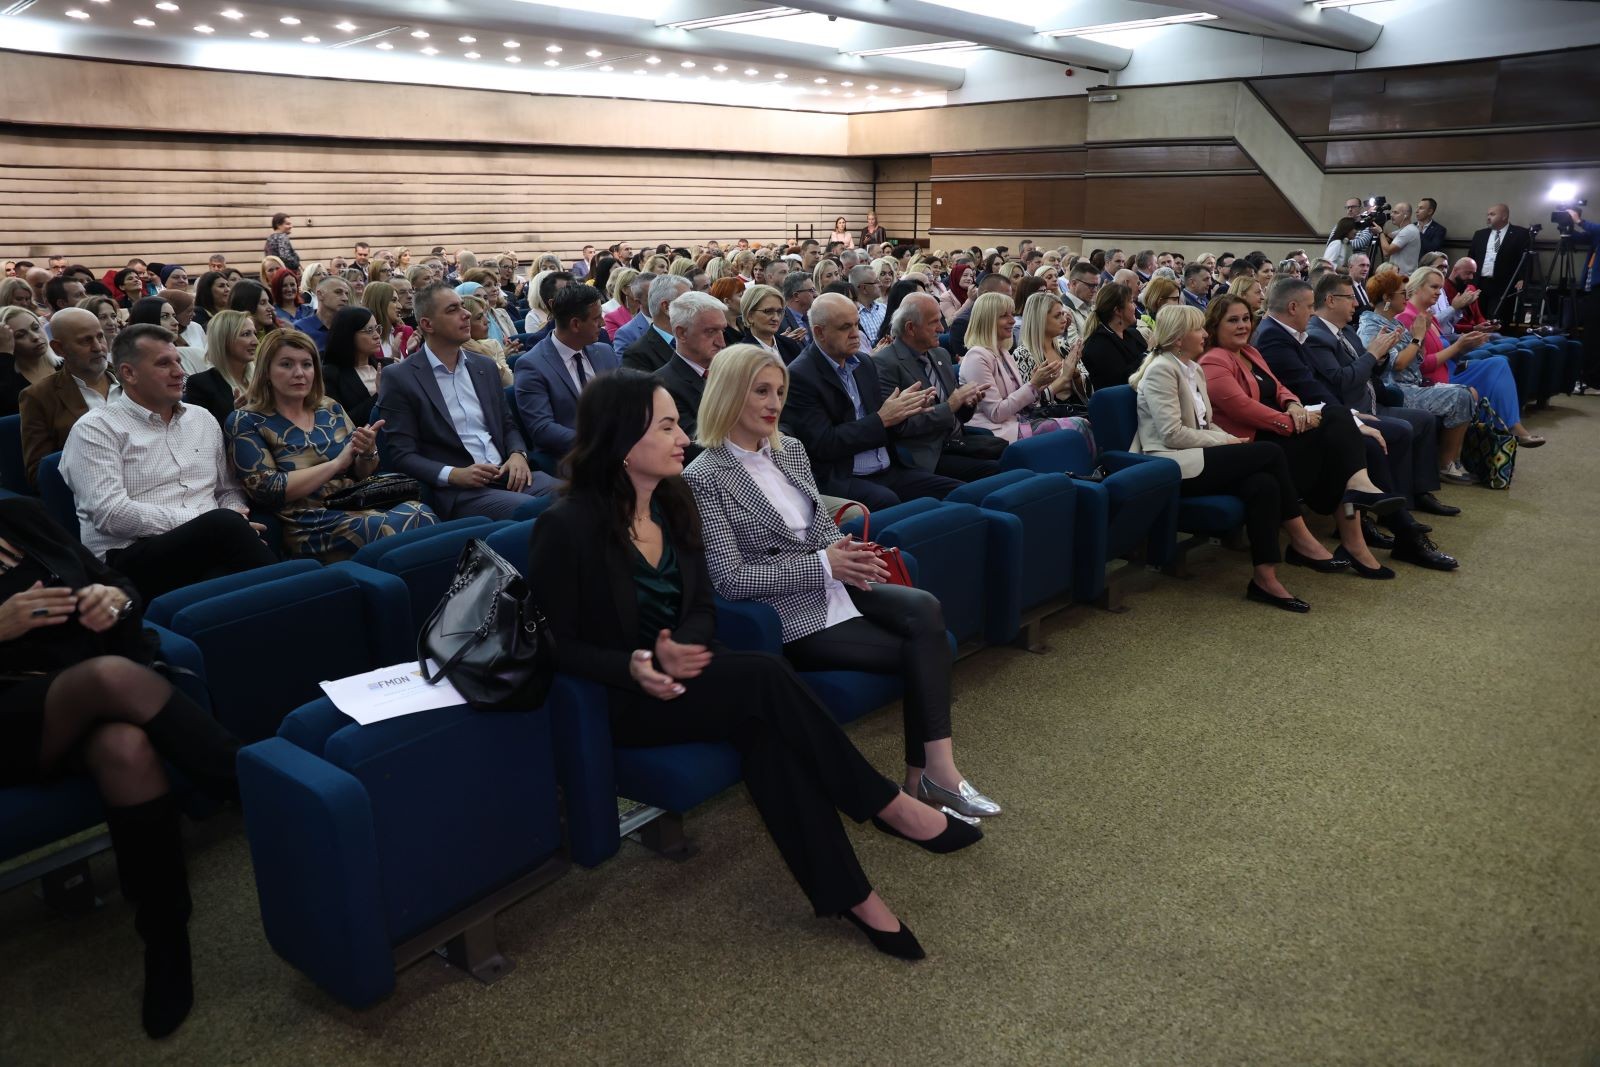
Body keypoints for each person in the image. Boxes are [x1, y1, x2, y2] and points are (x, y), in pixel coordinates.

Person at [529, 368, 978, 960]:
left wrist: (681, 646)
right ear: (622, 440)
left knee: (772, 740)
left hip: (695, 675)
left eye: (678, 424)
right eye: (666, 427)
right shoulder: (565, 526)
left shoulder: (673, 503)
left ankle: (854, 896)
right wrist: (636, 663)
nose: (683, 438)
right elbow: (557, 644)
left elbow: (702, 609)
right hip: (627, 698)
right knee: (766, 676)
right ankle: (886, 804)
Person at [686, 343, 999, 819]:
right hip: (789, 613)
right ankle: (929, 777)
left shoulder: (789, 450)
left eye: (780, 392)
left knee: (925, 606)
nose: (774, 403)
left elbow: (820, 529)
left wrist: (848, 553)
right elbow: (730, 580)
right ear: (728, 393)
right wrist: (825, 564)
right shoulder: (703, 477)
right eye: (761, 391)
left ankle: (933, 772)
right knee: (922, 649)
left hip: (836, 584)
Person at [0, 496, 244, 1039]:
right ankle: (251, 784)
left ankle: (165, 940)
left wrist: (112, 600)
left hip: (83, 692)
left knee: (126, 749)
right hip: (13, 718)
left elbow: (118, 583)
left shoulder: (20, 517)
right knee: (109, 677)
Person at [1130, 305, 1326, 612]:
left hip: (1196, 454)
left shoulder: (1191, 368)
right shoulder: (1161, 370)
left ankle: (1265, 579)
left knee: (1263, 484)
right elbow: (1171, 435)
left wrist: (1228, 439)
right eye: (1198, 329)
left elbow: (1205, 423)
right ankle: (1300, 537)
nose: (1205, 334)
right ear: (1179, 338)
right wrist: (1225, 441)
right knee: (1270, 452)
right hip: (1170, 464)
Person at [60, 325, 278, 599]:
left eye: (178, 361)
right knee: (228, 533)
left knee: (251, 542)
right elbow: (110, 514)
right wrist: (212, 523)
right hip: (130, 556)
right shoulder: (96, 429)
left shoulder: (202, 418)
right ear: (129, 373)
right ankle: (294, 597)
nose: (180, 371)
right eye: (164, 364)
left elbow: (227, 489)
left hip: (214, 539)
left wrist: (236, 516)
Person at [1199, 296, 1400, 575]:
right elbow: (1243, 409)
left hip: (1279, 432)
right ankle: (1354, 540)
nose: (1243, 325)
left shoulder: (1249, 352)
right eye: (1233, 320)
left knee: (1340, 430)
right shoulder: (1213, 361)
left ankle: (1356, 523)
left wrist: (1293, 405)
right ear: (1214, 325)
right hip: (1255, 445)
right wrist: (1293, 423)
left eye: (1245, 318)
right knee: (1339, 437)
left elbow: (1279, 387)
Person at [227, 330, 435, 561]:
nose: (299, 373)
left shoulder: (328, 408)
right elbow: (267, 490)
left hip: (355, 501)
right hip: (306, 520)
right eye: (286, 364)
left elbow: (362, 473)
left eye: (307, 365)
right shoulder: (245, 420)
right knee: (391, 527)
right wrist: (336, 464)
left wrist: (366, 452)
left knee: (422, 513)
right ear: (266, 371)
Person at [378, 284, 558, 518]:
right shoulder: (400, 377)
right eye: (452, 309)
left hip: (507, 474)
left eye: (463, 307)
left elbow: (507, 425)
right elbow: (403, 455)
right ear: (427, 325)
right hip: (461, 489)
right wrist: (453, 474)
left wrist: (518, 454)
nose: (466, 314)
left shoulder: (484, 366)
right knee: (538, 511)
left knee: (582, 495)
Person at [781, 293, 960, 511]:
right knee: (890, 502)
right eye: (845, 327)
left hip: (889, 468)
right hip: (846, 477)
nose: (855, 333)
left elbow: (887, 425)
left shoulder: (864, 363)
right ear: (819, 332)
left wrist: (906, 411)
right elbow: (824, 444)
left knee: (957, 492)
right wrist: (882, 419)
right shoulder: (800, 376)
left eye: (856, 324)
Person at [1394, 267, 1543, 447]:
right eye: (1434, 287)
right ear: (1417, 287)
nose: (1439, 292)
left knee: (1499, 363)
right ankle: (1505, 430)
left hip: (1448, 368)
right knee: (1495, 366)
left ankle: (1510, 426)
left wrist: (1467, 344)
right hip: (1430, 379)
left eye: (1440, 287)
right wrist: (1458, 346)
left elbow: (1445, 348)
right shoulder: (1407, 317)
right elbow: (1420, 366)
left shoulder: (1427, 315)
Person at [873, 293, 1002, 482]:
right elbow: (899, 426)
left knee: (1012, 454)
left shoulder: (940, 354)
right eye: (933, 322)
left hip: (958, 441)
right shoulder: (885, 363)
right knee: (994, 469)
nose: (942, 328)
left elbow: (957, 413)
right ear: (910, 328)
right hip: (927, 452)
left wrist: (967, 403)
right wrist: (950, 405)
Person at [959, 291, 1094, 454]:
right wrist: (1034, 385)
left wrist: (1039, 385)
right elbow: (996, 413)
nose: (1012, 320)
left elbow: (1027, 405)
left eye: (1012, 314)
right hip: (996, 433)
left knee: (1089, 421)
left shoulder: (1004, 353)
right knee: (1079, 426)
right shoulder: (977, 357)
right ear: (988, 320)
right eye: (1004, 316)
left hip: (1020, 421)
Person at [18, 308, 122, 485]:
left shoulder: (131, 377)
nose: (98, 347)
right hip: (92, 487)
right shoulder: (39, 397)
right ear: (59, 348)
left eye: (100, 337)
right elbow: (39, 472)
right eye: (85, 341)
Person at [1013, 289, 1092, 411]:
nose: (1064, 320)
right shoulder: (1022, 355)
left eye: (1063, 314)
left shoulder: (1064, 347)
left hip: (1077, 410)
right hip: (1050, 418)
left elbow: (1089, 391)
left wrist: (1076, 375)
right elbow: (1029, 405)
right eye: (1057, 316)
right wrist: (1064, 378)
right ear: (1040, 319)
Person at [182, 310, 257, 429]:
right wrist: (235, 417)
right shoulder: (201, 384)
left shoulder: (264, 379)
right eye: (246, 334)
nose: (256, 342)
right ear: (224, 340)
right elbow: (203, 433)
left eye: (254, 333)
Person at [1467, 203, 1535, 322]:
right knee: (1478, 318)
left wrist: (1523, 278)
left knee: (1497, 319)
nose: (1488, 217)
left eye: (1492, 214)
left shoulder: (1520, 234)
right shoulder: (1480, 234)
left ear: (1504, 216)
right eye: (1488, 214)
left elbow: (1526, 259)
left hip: (1504, 284)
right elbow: (1471, 257)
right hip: (1480, 283)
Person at [321, 306, 389, 424]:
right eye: (369, 330)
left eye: (377, 328)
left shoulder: (387, 365)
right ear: (349, 334)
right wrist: (378, 395)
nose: (377, 335)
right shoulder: (331, 374)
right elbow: (339, 423)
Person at [1081, 282, 1149, 392]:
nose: (1135, 307)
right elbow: (1121, 380)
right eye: (1131, 302)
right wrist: (1149, 353)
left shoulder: (1133, 334)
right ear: (1118, 311)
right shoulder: (1098, 344)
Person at [0, 306, 61, 417]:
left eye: (36, 327)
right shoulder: (8, 380)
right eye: (20, 335)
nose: (35, 337)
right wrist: (4, 355)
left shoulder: (66, 365)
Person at [739, 282, 803, 364]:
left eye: (779, 311)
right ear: (749, 316)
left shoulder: (790, 345)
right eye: (768, 311)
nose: (776, 318)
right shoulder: (742, 355)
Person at [292, 276, 351, 353]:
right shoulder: (301, 328)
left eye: (346, 294)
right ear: (320, 295)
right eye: (338, 292)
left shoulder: (350, 328)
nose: (345, 298)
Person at [1376, 201, 1422, 276]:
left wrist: (1380, 232)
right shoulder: (1405, 230)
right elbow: (1388, 237)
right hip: (1400, 275)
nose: (1391, 215)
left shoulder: (1408, 230)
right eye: (1392, 212)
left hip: (1403, 277)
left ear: (1406, 216)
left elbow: (1386, 252)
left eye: (1396, 213)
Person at [780, 271, 817, 350]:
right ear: (796, 296)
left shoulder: (815, 316)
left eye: (814, 290)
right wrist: (786, 342)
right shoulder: (780, 322)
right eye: (811, 290)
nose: (815, 294)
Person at [709, 277, 747, 349]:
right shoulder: (719, 331)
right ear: (727, 301)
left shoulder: (744, 323)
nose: (746, 299)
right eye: (741, 295)